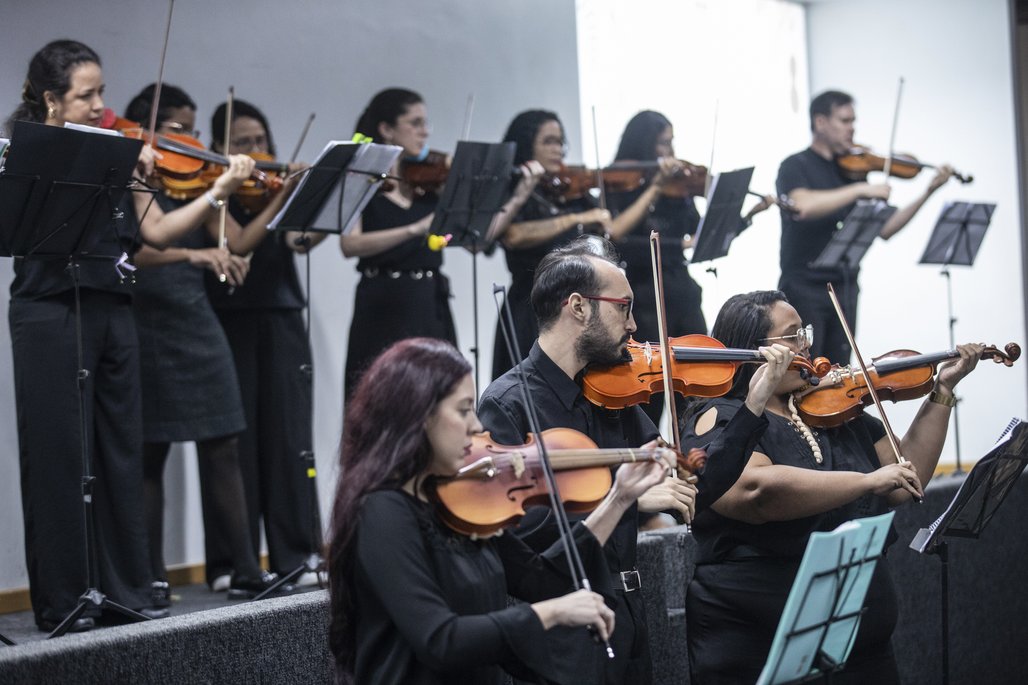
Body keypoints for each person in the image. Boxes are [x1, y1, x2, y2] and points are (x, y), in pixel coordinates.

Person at [479, 237, 793, 684]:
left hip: (628, 618)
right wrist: (624, 498)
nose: (633, 325)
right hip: (560, 635)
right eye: (623, 308)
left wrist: (754, 405)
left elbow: (695, 486)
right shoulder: (507, 403)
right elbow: (524, 536)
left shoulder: (615, 397)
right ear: (578, 307)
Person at [4, 40, 219, 631]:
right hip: (49, 311)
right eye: (88, 94)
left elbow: (154, 232)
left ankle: (126, 589)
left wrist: (203, 191)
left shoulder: (119, 152)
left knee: (121, 451)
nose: (103, 104)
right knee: (58, 454)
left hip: (113, 306)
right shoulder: (23, 153)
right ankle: (65, 597)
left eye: (102, 91)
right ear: (52, 101)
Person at [679, 289, 983, 684]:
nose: (806, 345)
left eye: (803, 333)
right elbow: (756, 492)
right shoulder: (719, 417)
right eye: (792, 337)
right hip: (757, 640)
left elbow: (904, 480)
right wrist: (865, 481)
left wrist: (942, 391)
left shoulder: (831, 406)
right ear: (757, 351)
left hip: (860, 639)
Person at [327, 337, 671, 684]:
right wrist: (549, 614)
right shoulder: (382, 511)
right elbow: (439, 640)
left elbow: (540, 579)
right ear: (418, 416)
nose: (476, 426)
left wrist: (620, 497)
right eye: (463, 410)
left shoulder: (458, 502)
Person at [123, 83, 284, 600]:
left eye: (193, 128)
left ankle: (245, 568)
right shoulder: (134, 174)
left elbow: (237, 240)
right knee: (153, 451)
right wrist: (196, 256)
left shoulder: (195, 181)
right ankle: (151, 575)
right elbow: (142, 252)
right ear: (149, 128)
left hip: (194, 316)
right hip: (148, 316)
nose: (190, 140)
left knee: (223, 441)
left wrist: (279, 200)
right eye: (178, 128)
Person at [203, 98, 324, 589]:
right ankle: (231, 562)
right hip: (228, 316)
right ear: (219, 149)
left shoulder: (275, 191)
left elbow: (299, 242)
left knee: (289, 438)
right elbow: (239, 243)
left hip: (280, 313)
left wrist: (314, 199)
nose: (257, 152)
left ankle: (297, 553)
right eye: (243, 143)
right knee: (234, 443)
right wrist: (283, 198)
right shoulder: (215, 191)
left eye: (261, 141)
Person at [607, 110, 774, 426]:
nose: (669, 153)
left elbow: (701, 237)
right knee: (652, 384)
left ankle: (696, 448)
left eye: (671, 143)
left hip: (681, 290)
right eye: (661, 145)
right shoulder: (623, 184)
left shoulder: (679, 189)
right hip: (645, 294)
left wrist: (747, 214)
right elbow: (619, 235)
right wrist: (655, 186)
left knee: (696, 378)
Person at [776, 90, 954, 362]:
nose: (852, 128)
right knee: (807, 367)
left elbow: (886, 229)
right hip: (804, 286)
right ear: (821, 122)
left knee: (839, 369)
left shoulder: (853, 169)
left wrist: (927, 192)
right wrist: (861, 189)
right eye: (845, 121)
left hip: (845, 284)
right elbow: (802, 205)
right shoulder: (795, 165)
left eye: (853, 121)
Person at [339, 88, 456, 398]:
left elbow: (465, 237)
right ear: (387, 129)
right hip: (383, 304)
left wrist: (456, 193)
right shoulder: (361, 179)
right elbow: (350, 245)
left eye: (426, 123)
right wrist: (413, 230)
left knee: (438, 398)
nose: (425, 131)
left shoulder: (428, 182)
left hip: (430, 301)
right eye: (415, 123)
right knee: (383, 399)